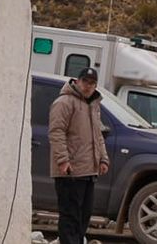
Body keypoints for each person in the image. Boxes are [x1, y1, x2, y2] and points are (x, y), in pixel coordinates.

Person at [49, 67, 110, 244]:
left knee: (84, 215)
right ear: (77, 81)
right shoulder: (64, 102)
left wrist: (103, 158)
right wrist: (62, 160)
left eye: (92, 83)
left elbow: (98, 135)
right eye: (85, 81)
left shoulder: (93, 106)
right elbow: (56, 132)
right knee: (70, 216)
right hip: (70, 171)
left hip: (88, 171)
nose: (88, 86)